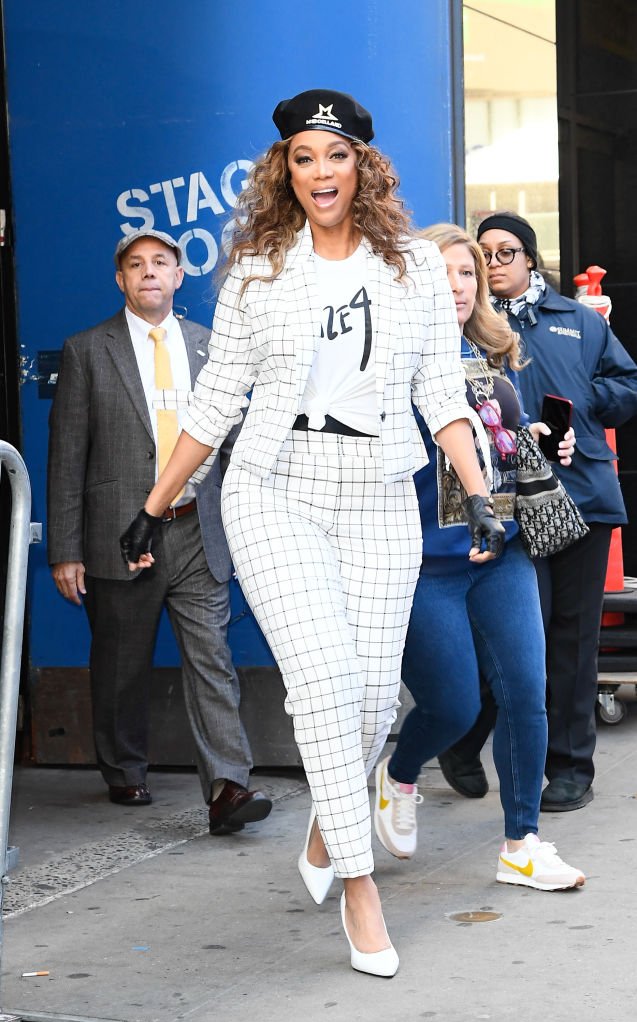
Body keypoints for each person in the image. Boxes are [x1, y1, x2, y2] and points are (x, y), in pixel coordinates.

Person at [119, 89, 504, 977]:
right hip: (273, 489)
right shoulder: (256, 270)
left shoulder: (409, 266)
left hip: (376, 494)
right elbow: (216, 405)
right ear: (283, 170)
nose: (319, 172)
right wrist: (154, 503)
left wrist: (478, 492)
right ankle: (360, 884)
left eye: (334, 156)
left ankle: (331, 823)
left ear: (362, 166)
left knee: (373, 700)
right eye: (302, 157)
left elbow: (440, 395)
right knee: (324, 681)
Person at [373, 222, 586, 891]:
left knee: (527, 693)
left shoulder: (492, 355)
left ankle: (521, 842)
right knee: (455, 707)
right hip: (426, 568)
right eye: (442, 273)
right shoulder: (386, 365)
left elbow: (501, 444)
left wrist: (544, 448)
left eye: (466, 273)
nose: (458, 285)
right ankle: (400, 773)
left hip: (503, 554)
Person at [47, 228, 272, 837]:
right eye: (136, 265)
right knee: (121, 662)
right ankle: (123, 766)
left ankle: (228, 785)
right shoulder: (88, 349)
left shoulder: (210, 347)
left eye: (161, 263)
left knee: (211, 659)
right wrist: (65, 550)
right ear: (121, 280)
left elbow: (233, 444)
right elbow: (68, 454)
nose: (150, 272)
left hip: (198, 527)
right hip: (121, 532)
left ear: (179, 276)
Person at [438, 212, 637, 812]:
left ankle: (572, 768)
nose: (494, 264)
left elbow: (626, 386)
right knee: (512, 638)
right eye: (485, 255)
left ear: (530, 259)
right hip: (508, 506)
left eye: (506, 252)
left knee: (573, 641)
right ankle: (462, 735)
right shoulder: (467, 326)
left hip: (582, 500)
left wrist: (578, 405)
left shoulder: (578, 320)